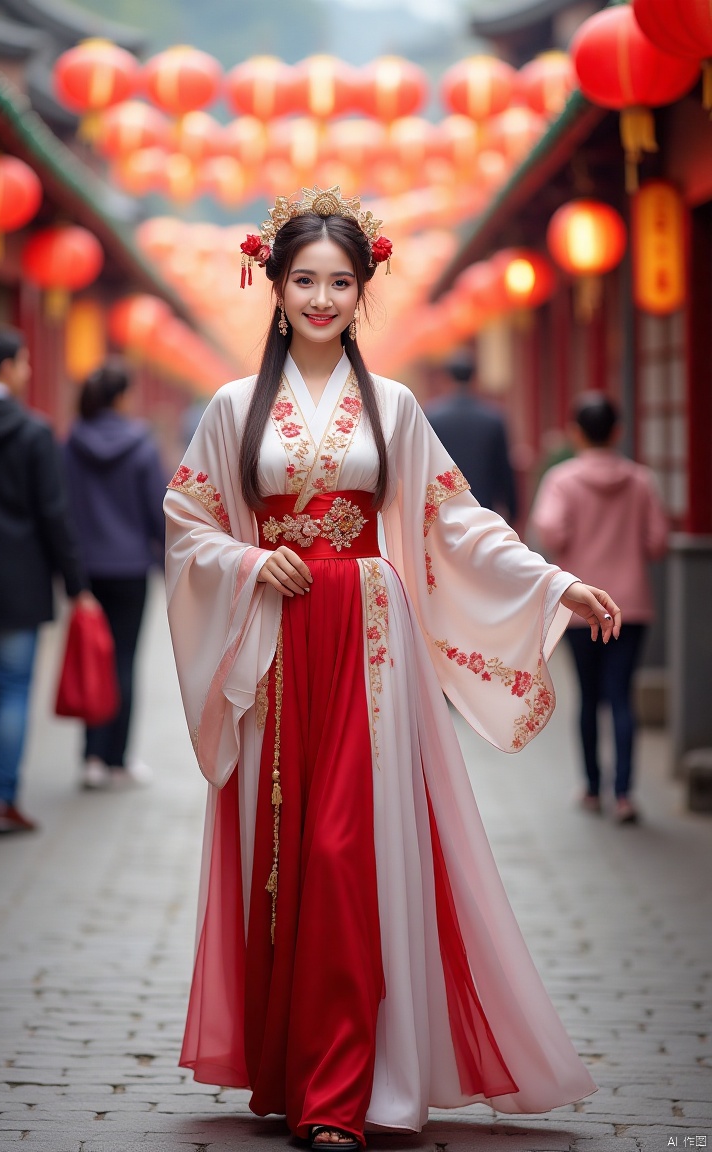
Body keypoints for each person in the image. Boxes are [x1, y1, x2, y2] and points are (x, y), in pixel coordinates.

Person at [164, 188, 621, 1151]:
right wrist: (251, 561)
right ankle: (300, 1074)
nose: (321, 298)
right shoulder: (232, 408)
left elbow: (454, 522)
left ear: (363, 291)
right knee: (286, 858)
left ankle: (349, 1089)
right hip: (279, 641)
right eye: (304, 281)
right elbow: (188, 523)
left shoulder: (396, 407)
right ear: (276, 288)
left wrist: (552, 583)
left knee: (346, 853)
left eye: (339, 282)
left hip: (372, 642)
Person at [0, 327, 89, 834]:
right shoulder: (34, 432)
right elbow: (54, 514)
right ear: (6, 367)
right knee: (10, 690)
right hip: (17, 582)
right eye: (24, 363)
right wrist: (76, 584)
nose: (28, 371)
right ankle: (2, 799)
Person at [530, 394, 668, 824]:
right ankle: (625, 793)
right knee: (621, 696)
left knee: (589, 697)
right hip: (632, 606)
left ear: (575, 433)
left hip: (581, 605)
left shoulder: (562, 479)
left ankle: (592, 788)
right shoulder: (641, 480)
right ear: (618, 431)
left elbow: (550, 532)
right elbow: (658, 542)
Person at [64, 359, 167, 790]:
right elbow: (157, 512)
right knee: (123, 659)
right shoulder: (141, 446)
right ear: (122, 397)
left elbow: (61, 507)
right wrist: (167, 561)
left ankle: (91, 756)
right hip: (129, 568)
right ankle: (118, 759)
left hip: (86, 568)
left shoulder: (69, 444)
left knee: (92, 657)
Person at [425, 349, 518, 522]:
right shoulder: (493, 418)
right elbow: (504, 469)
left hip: (444, 508)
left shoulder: (432, 417)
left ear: (447, 378)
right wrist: (513, 510)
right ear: (475, 378)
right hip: (483, 507)